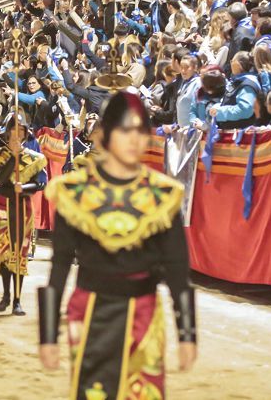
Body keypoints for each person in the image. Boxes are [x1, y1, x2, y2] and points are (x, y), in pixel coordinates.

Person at [39, 91, 196, 398]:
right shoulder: (74, 193)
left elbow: (178, 270)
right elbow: (59, 267)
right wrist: (47, 335)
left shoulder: (163, 195)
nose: (134, 139)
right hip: (90, 315)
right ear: (106, 134)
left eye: (140, 130)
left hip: (145, 315)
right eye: (125, 130)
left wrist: (187, 334)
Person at [0, 113, 47, 316]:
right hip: (3, 204)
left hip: (23, 205)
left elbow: (41, 181)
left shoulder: (33, 154)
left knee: (20, 252)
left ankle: (17, 299)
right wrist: (14, 157)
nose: (17, 134)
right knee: (5, 250)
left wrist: (25, 186)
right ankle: (6, 294)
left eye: (21, 130)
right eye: (14, 129)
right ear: (8, 131)